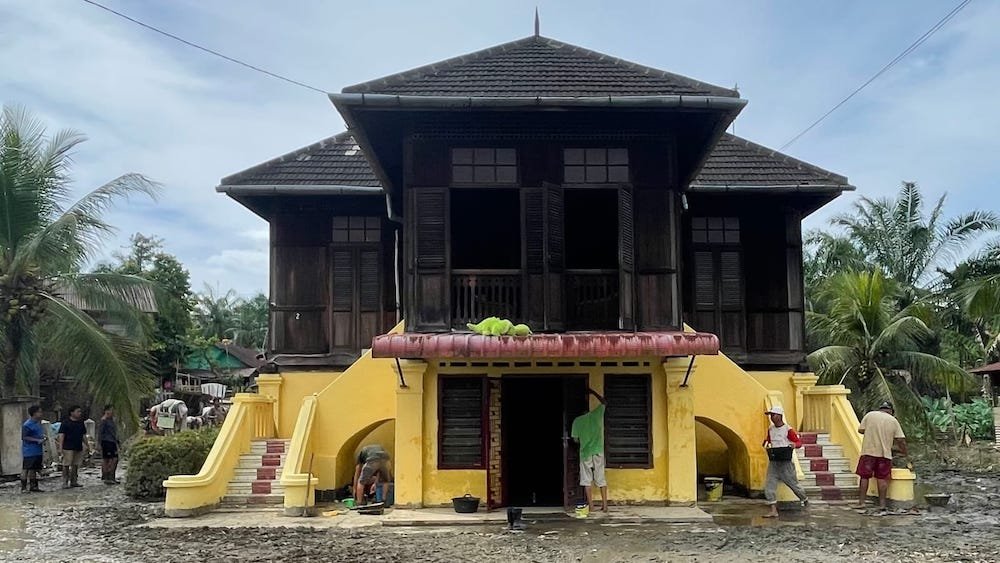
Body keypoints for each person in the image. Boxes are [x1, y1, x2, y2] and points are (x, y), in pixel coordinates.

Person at [856, 401, 907, 511]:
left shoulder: (870, 415)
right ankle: (882, 504)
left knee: (864, 477)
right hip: (884, 455)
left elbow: (861, 430)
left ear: (880, 408)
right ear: (891, 411)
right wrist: (905, 453)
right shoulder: (893, 421)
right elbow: (900, 440)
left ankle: (861, 503)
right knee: (882, 478)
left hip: (868, 452)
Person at [761, 405, 809, 518]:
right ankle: (773, 510)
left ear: (780, 416)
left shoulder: (788, 429)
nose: (772, 417)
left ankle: (804, 498)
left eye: (774, 415)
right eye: (771, 415)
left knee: (793, 484)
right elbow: (767, 440)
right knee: (769, 485)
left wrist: (793, 445)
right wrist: (766, 445)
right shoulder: (771, 429)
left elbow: (798, 442)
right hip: (774, 461)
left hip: (785, 462)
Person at [571, 389, 608, 513]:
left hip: (585, 453)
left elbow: (575, 440)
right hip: (598, 451)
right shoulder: (596, 414)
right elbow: (604, 402)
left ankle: (591, 506)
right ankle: (605, 506)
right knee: (601, 478)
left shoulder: (577, 421)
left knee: (586, 479)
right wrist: (593, 392)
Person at [57, 406, 87, 488]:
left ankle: (74, 481)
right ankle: (65, 481)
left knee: (76, 464)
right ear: (72, 412)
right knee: (66, 464)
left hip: (78, 445)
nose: (79, 413)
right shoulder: (65, 423)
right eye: (78, 411)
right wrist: (60, 447)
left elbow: (83, 435)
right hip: (68, 446)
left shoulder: (81, 423)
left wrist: (87, 445)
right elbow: (61, 435)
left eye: (80, 411)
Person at [21, 405, 45, 493]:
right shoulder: (27, 425)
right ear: (34, 413)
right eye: (39, 412)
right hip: (29, 451)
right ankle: (23, 487)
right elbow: (24, 437)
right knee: (26, 469)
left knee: (34, 469)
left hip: (37, 450)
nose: (41, 414)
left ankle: (33, 486)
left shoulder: (38, 423)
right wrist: (37, 440)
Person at [98, 405, 120, 485]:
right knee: (109, 459)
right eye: (111, 410)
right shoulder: (104, 421)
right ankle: (108, 476)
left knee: (114, 459)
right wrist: (99, 443)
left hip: (112, 441)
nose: (112, 412)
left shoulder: (112, 420)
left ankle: (111, 476)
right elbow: (100, 432)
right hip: (106, 442)